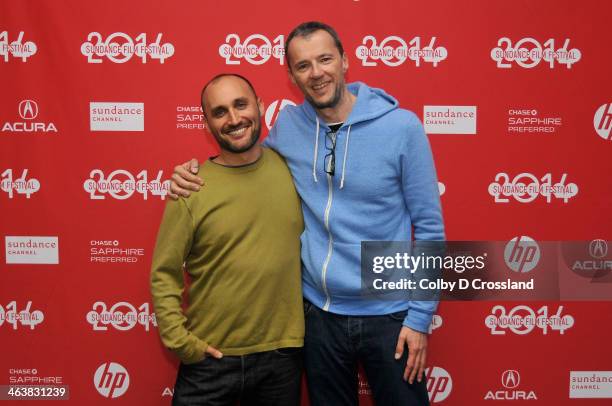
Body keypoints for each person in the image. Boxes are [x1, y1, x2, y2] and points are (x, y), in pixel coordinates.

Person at [170, 22, 444, 406]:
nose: (316, 73)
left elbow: (430, 226)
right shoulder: (289, 127)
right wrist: (191, 172)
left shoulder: (401, 127)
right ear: (291, 76)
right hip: (319, 315)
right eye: (303, 66)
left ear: (346, 61)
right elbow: (246, 157)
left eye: (325, 59)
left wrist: (419, 317)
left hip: (390, 313)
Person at [151, 73, 305, 406]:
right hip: (209, 361)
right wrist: (182, 343)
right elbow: (164, 273)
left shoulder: (294, 170)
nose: (234, 119)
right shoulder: (190, 187)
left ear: (260, 107)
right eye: (219, 112)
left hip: (281, 358)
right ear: (206, 124)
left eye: (240, 104)